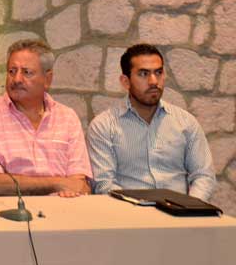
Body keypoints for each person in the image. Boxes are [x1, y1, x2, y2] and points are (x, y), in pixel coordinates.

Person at [87, 44, 216, 199]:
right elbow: (104, 184)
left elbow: (204, 175)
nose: (154, 81)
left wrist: (191, 206)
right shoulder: (104, 126)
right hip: (128, 211)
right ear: (125, 81)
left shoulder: (185, 122)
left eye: (158, 72)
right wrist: (137, 209)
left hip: (180, 211)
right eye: (144, 74)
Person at [0, 39, 92, 197]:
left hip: (61, 208)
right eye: (12, 71)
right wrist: (57, 184)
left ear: (47, 79)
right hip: (4, 209)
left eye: (26, 72)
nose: (17, 79)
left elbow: (78, 183)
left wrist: (70, 189)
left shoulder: (68, 118)